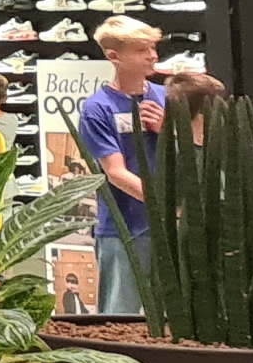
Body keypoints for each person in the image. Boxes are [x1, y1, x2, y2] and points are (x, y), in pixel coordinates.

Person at [76, 17, 219, 318]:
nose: (153, 56)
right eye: (142, 50)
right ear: (113, 56)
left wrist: (169, 130)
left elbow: (197, 149)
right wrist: (165, 205)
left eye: (153, 48)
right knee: (119, 315)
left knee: (176, 315)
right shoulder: (97, 108)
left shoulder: (167, 96)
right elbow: (115, 173)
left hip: (173, 227)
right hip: (124, 228)